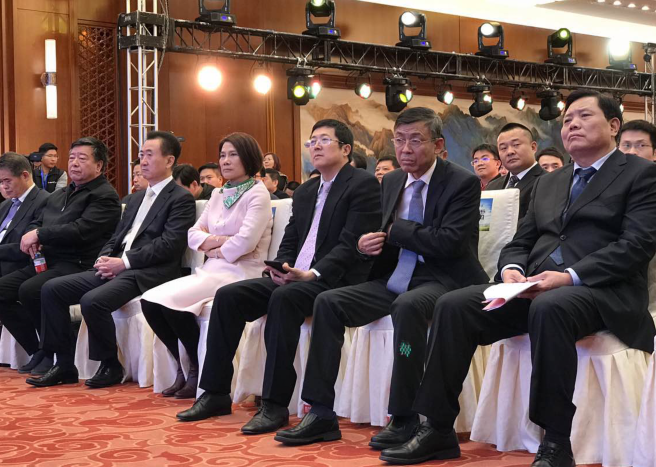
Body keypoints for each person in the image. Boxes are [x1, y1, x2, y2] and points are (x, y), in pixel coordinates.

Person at [380, 90, 656, 467]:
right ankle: (438, 427)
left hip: (603, 291)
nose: (572, 125)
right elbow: (521, 241)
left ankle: (555, 441)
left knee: (551, 307)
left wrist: (568, 277)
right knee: (454, 305)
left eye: (583, 117)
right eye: (567, 119)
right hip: (535, 286)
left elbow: (636, 245)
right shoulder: (551, 182)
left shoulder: (641, 174)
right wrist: (512, 270)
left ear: (613, 125)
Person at [274, 107, 488, 447]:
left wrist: (397, 231)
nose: (405, 149)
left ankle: (403, 416)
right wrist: (365, 245)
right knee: (327, 302)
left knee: (408, 306)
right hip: (396, 276)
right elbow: (384, 236)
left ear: (438, 145)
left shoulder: (461, 182)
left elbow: (450, 242)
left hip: (443, 278)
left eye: (415, 140)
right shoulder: (391, 180)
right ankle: (320, 412)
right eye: (399, 140)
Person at [175, 119, 381, 429]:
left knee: (285, 299)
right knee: (229, 296)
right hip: (296, 276)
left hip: (333, 280)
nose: (316, 146)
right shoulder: (307, 190)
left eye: (325, 140)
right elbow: (291, 237)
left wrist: (313, 273)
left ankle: (274, 404)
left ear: (346, 149)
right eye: (312, 141)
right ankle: (215, 392)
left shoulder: (362, 184)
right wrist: (280, 266)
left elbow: (351, 243)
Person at [28, 131, 196, 388]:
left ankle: (110, 365)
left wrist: (124, 263)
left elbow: (169, 245)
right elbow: (116, 237)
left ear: (169, 160)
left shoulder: (180, 198)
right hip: (117, 266)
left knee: (93, 301)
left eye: (149, 155)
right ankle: (64, 364)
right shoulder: (135, 198)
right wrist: (104, 258)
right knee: (52, 289)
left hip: (147, 271)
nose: (143, 161)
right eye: (141, 155)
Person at [140, 133, 273, 399]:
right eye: (222, 155)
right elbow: (192, 235)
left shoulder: (258, 193)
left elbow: (245, 243)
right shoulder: (219, 193)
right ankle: (187, 365)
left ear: (249, 158)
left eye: (233, 154)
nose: (225, 161)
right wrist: (223, 242)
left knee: (170, 303)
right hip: (212, 269)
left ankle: (195, 369)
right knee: (150, 301)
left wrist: (213, 245)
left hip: (242, 272)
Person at [0, 137, 121, 376]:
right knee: (3, 290)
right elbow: (38, 221)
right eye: (72, 157)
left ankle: (58, 356)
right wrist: (33, 234)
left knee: (34, 289)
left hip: (79, 262)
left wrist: (40, 234)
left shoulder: (104, 195)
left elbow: (81, 230)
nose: (74, 163)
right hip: (49, 260)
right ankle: (38, 349)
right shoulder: (60, 194)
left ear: (99, 165)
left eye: (82, 158)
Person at [0, 153, 49, 277]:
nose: (4, 186)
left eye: (7, 181)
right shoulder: (5, 204)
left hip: (14, 268)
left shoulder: (45, 201)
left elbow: (28, 246)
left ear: (25, 176)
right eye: (1, 181)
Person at [485, 123, 545, 221]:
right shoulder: (492, 186)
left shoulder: (548, 182)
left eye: (516, 145)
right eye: (503, 148)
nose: (510, 152)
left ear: (533, 147)